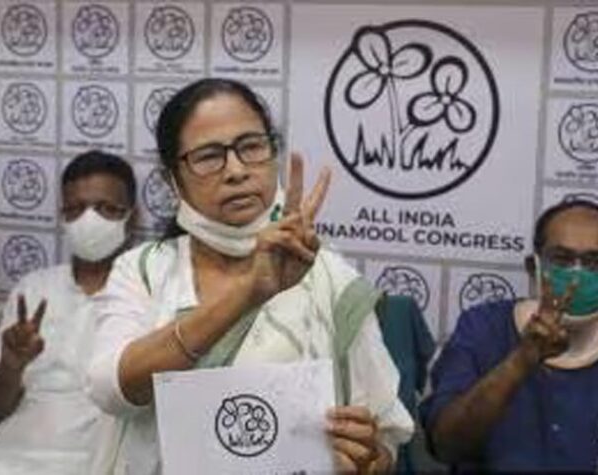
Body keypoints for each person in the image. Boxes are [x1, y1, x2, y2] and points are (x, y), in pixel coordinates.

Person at [87, 78, 413, 474]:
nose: (236, 170)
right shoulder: (146, 270)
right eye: (209, 156)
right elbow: (109, 389)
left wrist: (369, 458)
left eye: (252, 147)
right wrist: (248, 292)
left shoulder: (331, 279)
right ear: (174, 179)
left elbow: (384, 438)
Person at [0, 151, 137, 475]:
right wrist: (11, 365)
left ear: (132, 217)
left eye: (105, 208)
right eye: (75, 209)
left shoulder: (145, 294)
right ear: (62, 217)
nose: (89, 220)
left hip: (96, 465)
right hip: (5, 460)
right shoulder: (33, 289)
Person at [422, 200, 598, 471]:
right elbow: (446, 445)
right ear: (533, 267)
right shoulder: (483, 327)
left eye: (593, 263)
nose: (577, 276)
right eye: (562, 260)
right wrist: (522, 360)